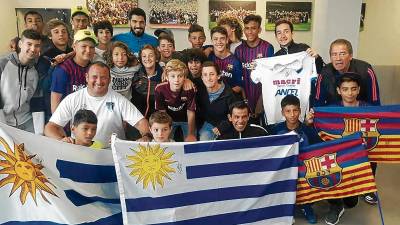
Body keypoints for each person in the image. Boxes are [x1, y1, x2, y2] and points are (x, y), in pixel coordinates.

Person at [44, 62, 152, 148]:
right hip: (80, 153)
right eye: (94, 77)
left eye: (104, 77)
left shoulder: (119, 100)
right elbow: (50, 128)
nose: (99, 81)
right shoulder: (73, 99)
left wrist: (146, 136)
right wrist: (62, 139)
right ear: (86, 77)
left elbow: (141, 122)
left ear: (110, 80)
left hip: (110, 155)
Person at [269, 95, 321, 224]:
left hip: (303, 169)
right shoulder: (275, 130)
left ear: (300, 110)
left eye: (295, 110)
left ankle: (306, 207)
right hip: (283, 170)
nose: (292, 114)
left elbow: (319, 149)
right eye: (288, 111)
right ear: (282, 112)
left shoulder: (308, 130)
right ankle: (285, 209)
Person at [314, 39, 380, 107]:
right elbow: (318, 102)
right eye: (334, 54)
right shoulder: (324, 73)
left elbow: (375, 101)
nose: (338, 58)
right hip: (335, 113)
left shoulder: (366, 70)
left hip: (361, 113)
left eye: (342, 54)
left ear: (350, 56)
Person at [234, 14, 274, 124]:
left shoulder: (267, 48)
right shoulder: (239, 50)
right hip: (244, 98)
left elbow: (270, 77)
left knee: (263, 131)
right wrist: (244, 100)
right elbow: (238, 77)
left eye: (253, 28)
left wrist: (261, 102)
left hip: (263, 98)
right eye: (247, 28)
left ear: (259, 30)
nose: (250, 32)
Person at [0, 29, 41, 132]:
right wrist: (3, 127)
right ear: (20, 44)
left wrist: (39, 132)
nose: (33, 49)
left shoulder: (36, 71)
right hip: (3, 121)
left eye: (37, 45)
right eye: (29, 44)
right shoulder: (2, 64)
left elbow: (37, 101)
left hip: (26, 121)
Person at [50, 29, 97, 113]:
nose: (88, 50)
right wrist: (56, 124)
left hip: (88, 119)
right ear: (74, 46)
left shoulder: (93, 68)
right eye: (84, 46)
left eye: (91, 47)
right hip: (68, 119)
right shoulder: (63, 69)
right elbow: (55, 100)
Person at [35, 19, 73, 120]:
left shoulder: (74, 53)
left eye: (64, 31)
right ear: (50, 36)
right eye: (56, 32)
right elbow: (43, 86)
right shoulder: (45, 57)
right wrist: (53, 66)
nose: (61, 34)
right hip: (54, 106)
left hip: (73, 103)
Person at [154, 59, 197, 142]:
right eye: (173, 76)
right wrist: (166, 131)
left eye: (180, 76)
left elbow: (191, 112)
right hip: (169, 120)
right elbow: (162, 113)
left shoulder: (189, 89)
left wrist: (191, 134)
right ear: (167, 77)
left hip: (186, 120)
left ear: (185, 77)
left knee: (191, 142)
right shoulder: (159, 89)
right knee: (165, 142)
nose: (176, 80)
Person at [196, 61, 238, 140]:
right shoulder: (200, 90)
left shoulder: (229, 94)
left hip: (227, 126)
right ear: (202, 78)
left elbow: (236, 115)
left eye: (212, 74)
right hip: (209, 124)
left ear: (218, 76)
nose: (208, 78)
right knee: (204, 139)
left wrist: (224, 126)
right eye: (205, 75)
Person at [208, 26, 243, 98]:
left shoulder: (235, 61)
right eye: (215, 39)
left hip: (229, 100)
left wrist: (222, 94)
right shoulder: (208, 57)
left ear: (227, 40)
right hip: (210, 98)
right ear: (211, 41)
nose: (219, 42)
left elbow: (239, 86)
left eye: (222, 38)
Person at [131, 44, 163, 118]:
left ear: (156, 58)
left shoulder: (164, 76)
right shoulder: (135, 76)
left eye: (151, 55)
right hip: (138, 119)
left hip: (158, 120)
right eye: (144, 56)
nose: (147, 59)